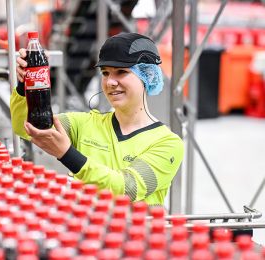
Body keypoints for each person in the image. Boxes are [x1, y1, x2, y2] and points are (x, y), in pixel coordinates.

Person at [10, 33, 184, 208]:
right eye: (105, 73)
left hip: (136, 234)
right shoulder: (83, 124)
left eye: (121, 72)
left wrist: (67, 154)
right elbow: (25, 128)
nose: (110, 82)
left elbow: (127, 188)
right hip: (86, 231)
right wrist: (26, 85)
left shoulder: (167, 144)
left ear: (149, 76)